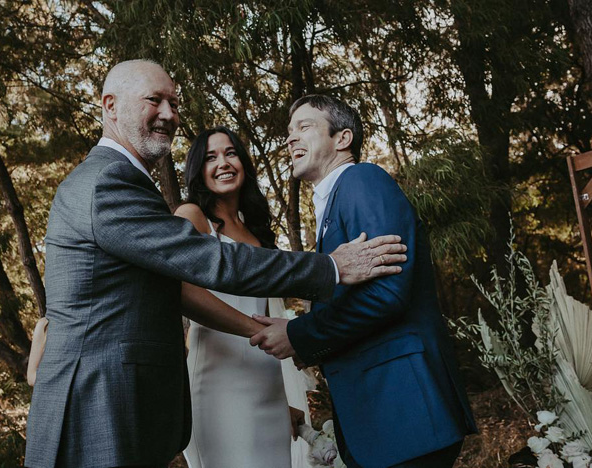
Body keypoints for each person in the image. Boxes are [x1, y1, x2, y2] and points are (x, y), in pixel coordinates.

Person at [24, 61, 406, 468]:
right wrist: (329, 268)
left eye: (174, 103)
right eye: (154, 100)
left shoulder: (121, 181)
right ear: (110, 106)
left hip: (128, 400)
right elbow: (209, 261)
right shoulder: (108, 181)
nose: (169, 114)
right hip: (98, 401)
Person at [251, 95, 478, 468]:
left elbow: (386, 294)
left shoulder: (362, 180)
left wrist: (298, 334)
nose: (290, 138)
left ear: (342, 138)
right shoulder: (334, 202)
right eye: (289, 131)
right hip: (380, 420)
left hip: (404, 410)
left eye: (304, 127)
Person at [174, 126, 313, 468]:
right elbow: (182, 291)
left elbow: (267, 309)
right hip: (219, 384)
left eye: (230, 153)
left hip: (269, 384)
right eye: (210, 157)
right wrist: (256, 332)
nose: (223, 163)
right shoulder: (192, 216)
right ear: (198, 170)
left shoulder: (256, 232)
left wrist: (286, 398)